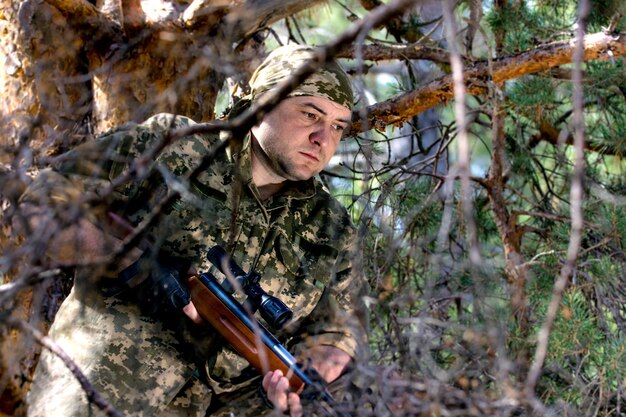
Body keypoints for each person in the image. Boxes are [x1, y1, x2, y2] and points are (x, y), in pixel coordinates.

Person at [19, 44, 365, 417]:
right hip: (97, 395)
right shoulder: (174, 145)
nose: (323, 138)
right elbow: (41, 206)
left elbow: (337, 336)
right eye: (310, 114)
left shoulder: (332, 228)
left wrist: (297, 385)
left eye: (337, 127)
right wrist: (127, 259)